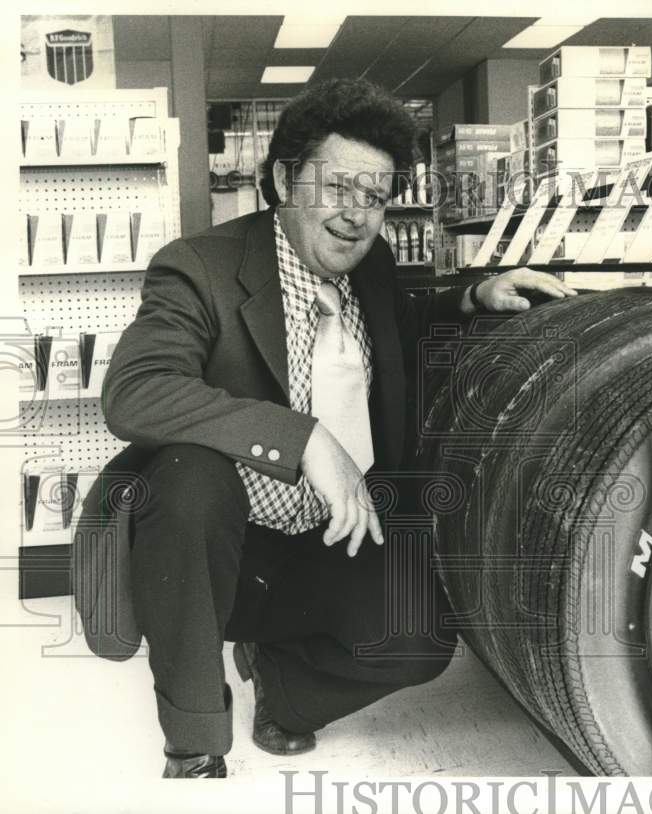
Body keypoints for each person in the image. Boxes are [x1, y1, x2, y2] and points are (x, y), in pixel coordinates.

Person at [77, 77, 576, 778]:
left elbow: (396, 334)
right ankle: (195, 740)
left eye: (374, 197)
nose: (357, 216)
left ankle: (283, 691)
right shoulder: (199, 268)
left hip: (335, 535)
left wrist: (471, 296)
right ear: (285, 179)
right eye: (338, 188)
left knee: (421, 639)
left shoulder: (372, 264)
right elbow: (134, 391)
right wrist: (300, 436)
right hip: (225, 551)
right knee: (188, 480)